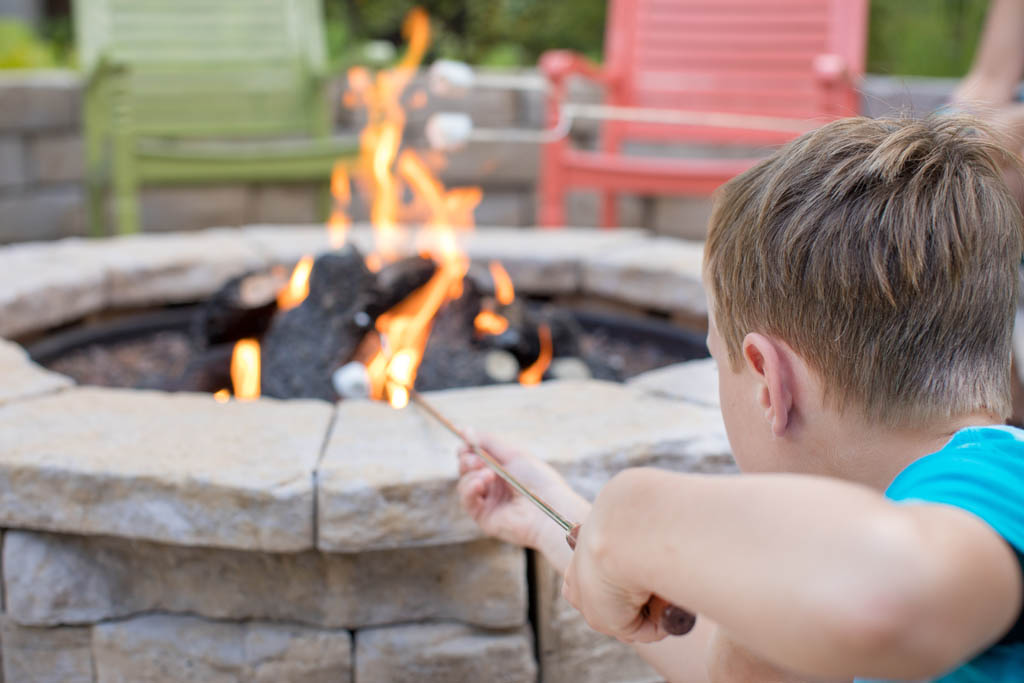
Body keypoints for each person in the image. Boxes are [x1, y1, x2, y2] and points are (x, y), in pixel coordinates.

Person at [457, 115, 1024, 682]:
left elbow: (886, 602)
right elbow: (731, 665)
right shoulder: (864, 558)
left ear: (767, 382)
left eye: (715, 358)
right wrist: (563, 522)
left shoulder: (997, 485)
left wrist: (630, 514)